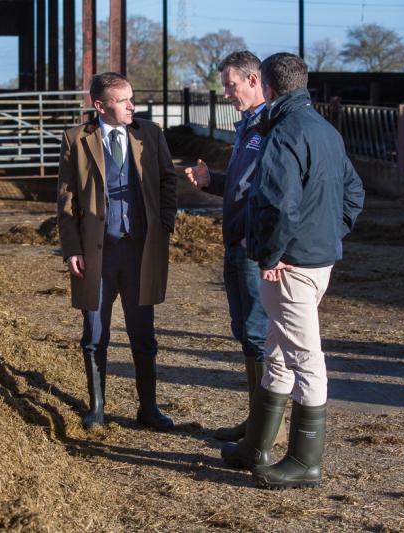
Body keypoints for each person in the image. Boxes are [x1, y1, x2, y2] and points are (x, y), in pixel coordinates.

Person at [220, 53, 365, 489]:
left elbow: (277, 204)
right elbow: (353, 193)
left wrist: (271, 253)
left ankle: (305, 461)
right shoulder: (324, 130)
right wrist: (327, 236)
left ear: (265, 83)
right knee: (279, 351)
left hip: (290, 266)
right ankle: (256, 446)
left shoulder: (281, 132)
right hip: (317, 260)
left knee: (305, 357)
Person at [57, 72, 178, 431]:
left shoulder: (150, 134)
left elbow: (168, 180)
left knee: (144, 334)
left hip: (140, 252)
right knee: (94, 334)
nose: (131, 105)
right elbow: (66, 201)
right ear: (100, 106)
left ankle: (149, 408)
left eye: (131, 98)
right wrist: (72, 249)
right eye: (123, 100)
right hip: (97, 255)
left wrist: (165, 224)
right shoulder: (76, 139)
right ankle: (97, 407)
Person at [184, 51, 284, 445]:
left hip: (251, 245)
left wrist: (259, 238)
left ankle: (266, 431)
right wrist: (212, 181)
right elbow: (245, 185)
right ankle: (256, 420)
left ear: (254, 80)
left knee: (258, 333)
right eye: (225, 86)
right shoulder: (247, 126)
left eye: (231, 85)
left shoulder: (273, 126)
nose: (226, 92)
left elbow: (275, 189)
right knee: (244, 330)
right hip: (235, 241)